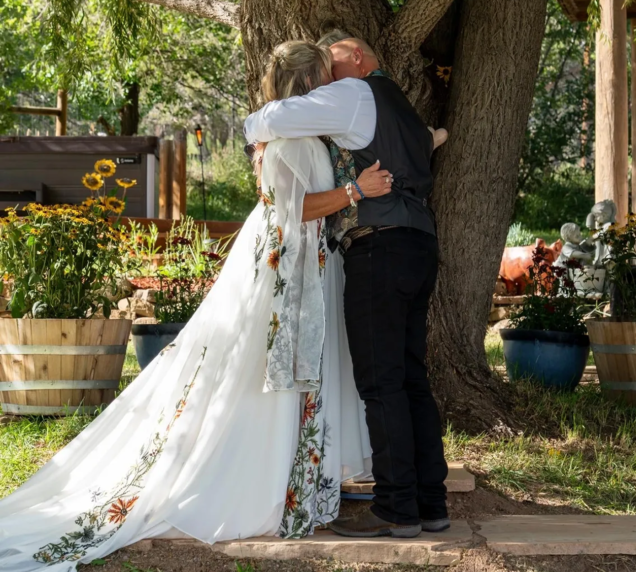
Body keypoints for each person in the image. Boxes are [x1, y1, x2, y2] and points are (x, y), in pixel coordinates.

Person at [0, 41, 390, 572]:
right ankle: (267, 484)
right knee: (268, 377)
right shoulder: (291, 141)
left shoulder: (297, 133)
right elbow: (293, 209)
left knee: (285, 378)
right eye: (323, 77)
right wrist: (356, 191)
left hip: (300, 268)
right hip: (285, 274)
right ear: (310, 83)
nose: (329, 88)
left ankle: (292, 480)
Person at [244, 35, 450, 538]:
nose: (327, 81)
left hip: (381, 249)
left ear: (356, 56)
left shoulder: (353, 93)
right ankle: (430, 503)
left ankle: (396, 509)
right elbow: (430, 138)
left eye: (333, 64)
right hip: (420, 244)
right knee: (410, 379)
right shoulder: (396, 104)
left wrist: (254, 128)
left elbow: (270, 118)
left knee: (382, 385)